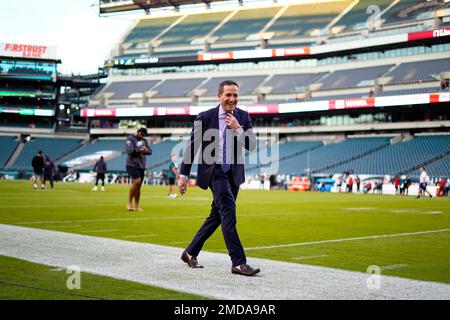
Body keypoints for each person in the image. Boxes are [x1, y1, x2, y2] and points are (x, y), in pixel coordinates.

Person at [178, 80, 260, 277]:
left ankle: (190, 252)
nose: (232, 99)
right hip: (214, 173)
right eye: (228, 95)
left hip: (234, 174)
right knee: (229, 214)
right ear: (219, 96)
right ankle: (239, 263)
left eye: (235, 95)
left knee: (217, 217)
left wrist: (238, 128)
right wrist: (183, 175)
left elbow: (252, 145)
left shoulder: (242, 116)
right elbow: (191, 147)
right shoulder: (205, 117)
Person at [125, 128, 152, 211]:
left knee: (138, 186)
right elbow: (129, 151)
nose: (142, 136)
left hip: (141, 165)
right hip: (131, 164)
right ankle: (129, 203)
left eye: (144, 135)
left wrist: (146, 150)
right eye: (142, 134)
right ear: (138, 132)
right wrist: (140, 150)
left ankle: (136, 206)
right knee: (137, 181)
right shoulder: (130, 138)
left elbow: (150, 151)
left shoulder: (144, 141)